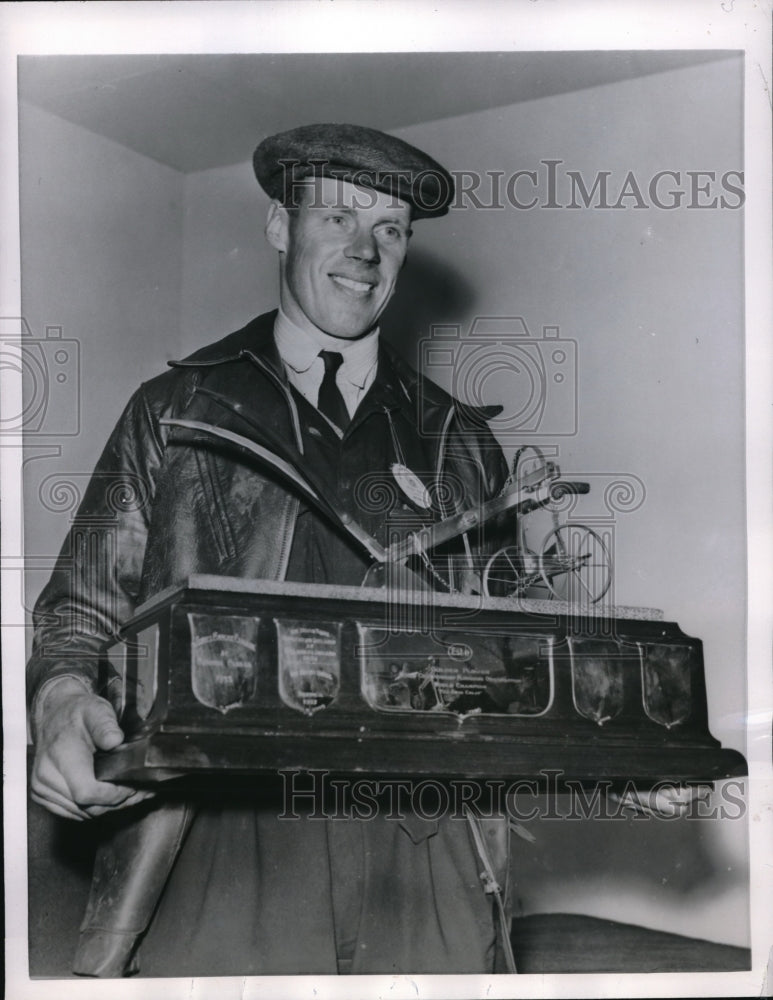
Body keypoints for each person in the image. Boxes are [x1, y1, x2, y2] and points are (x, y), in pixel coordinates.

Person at [27, 123, 512, 977]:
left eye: (390, 229)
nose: (365, 251)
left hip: (425, 837)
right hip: (217, 827)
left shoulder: (463, 444)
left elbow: (513, 652)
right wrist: (63, 704)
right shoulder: (173, 411)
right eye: (337, 218)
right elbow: (79, 609)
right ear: (280, 227)